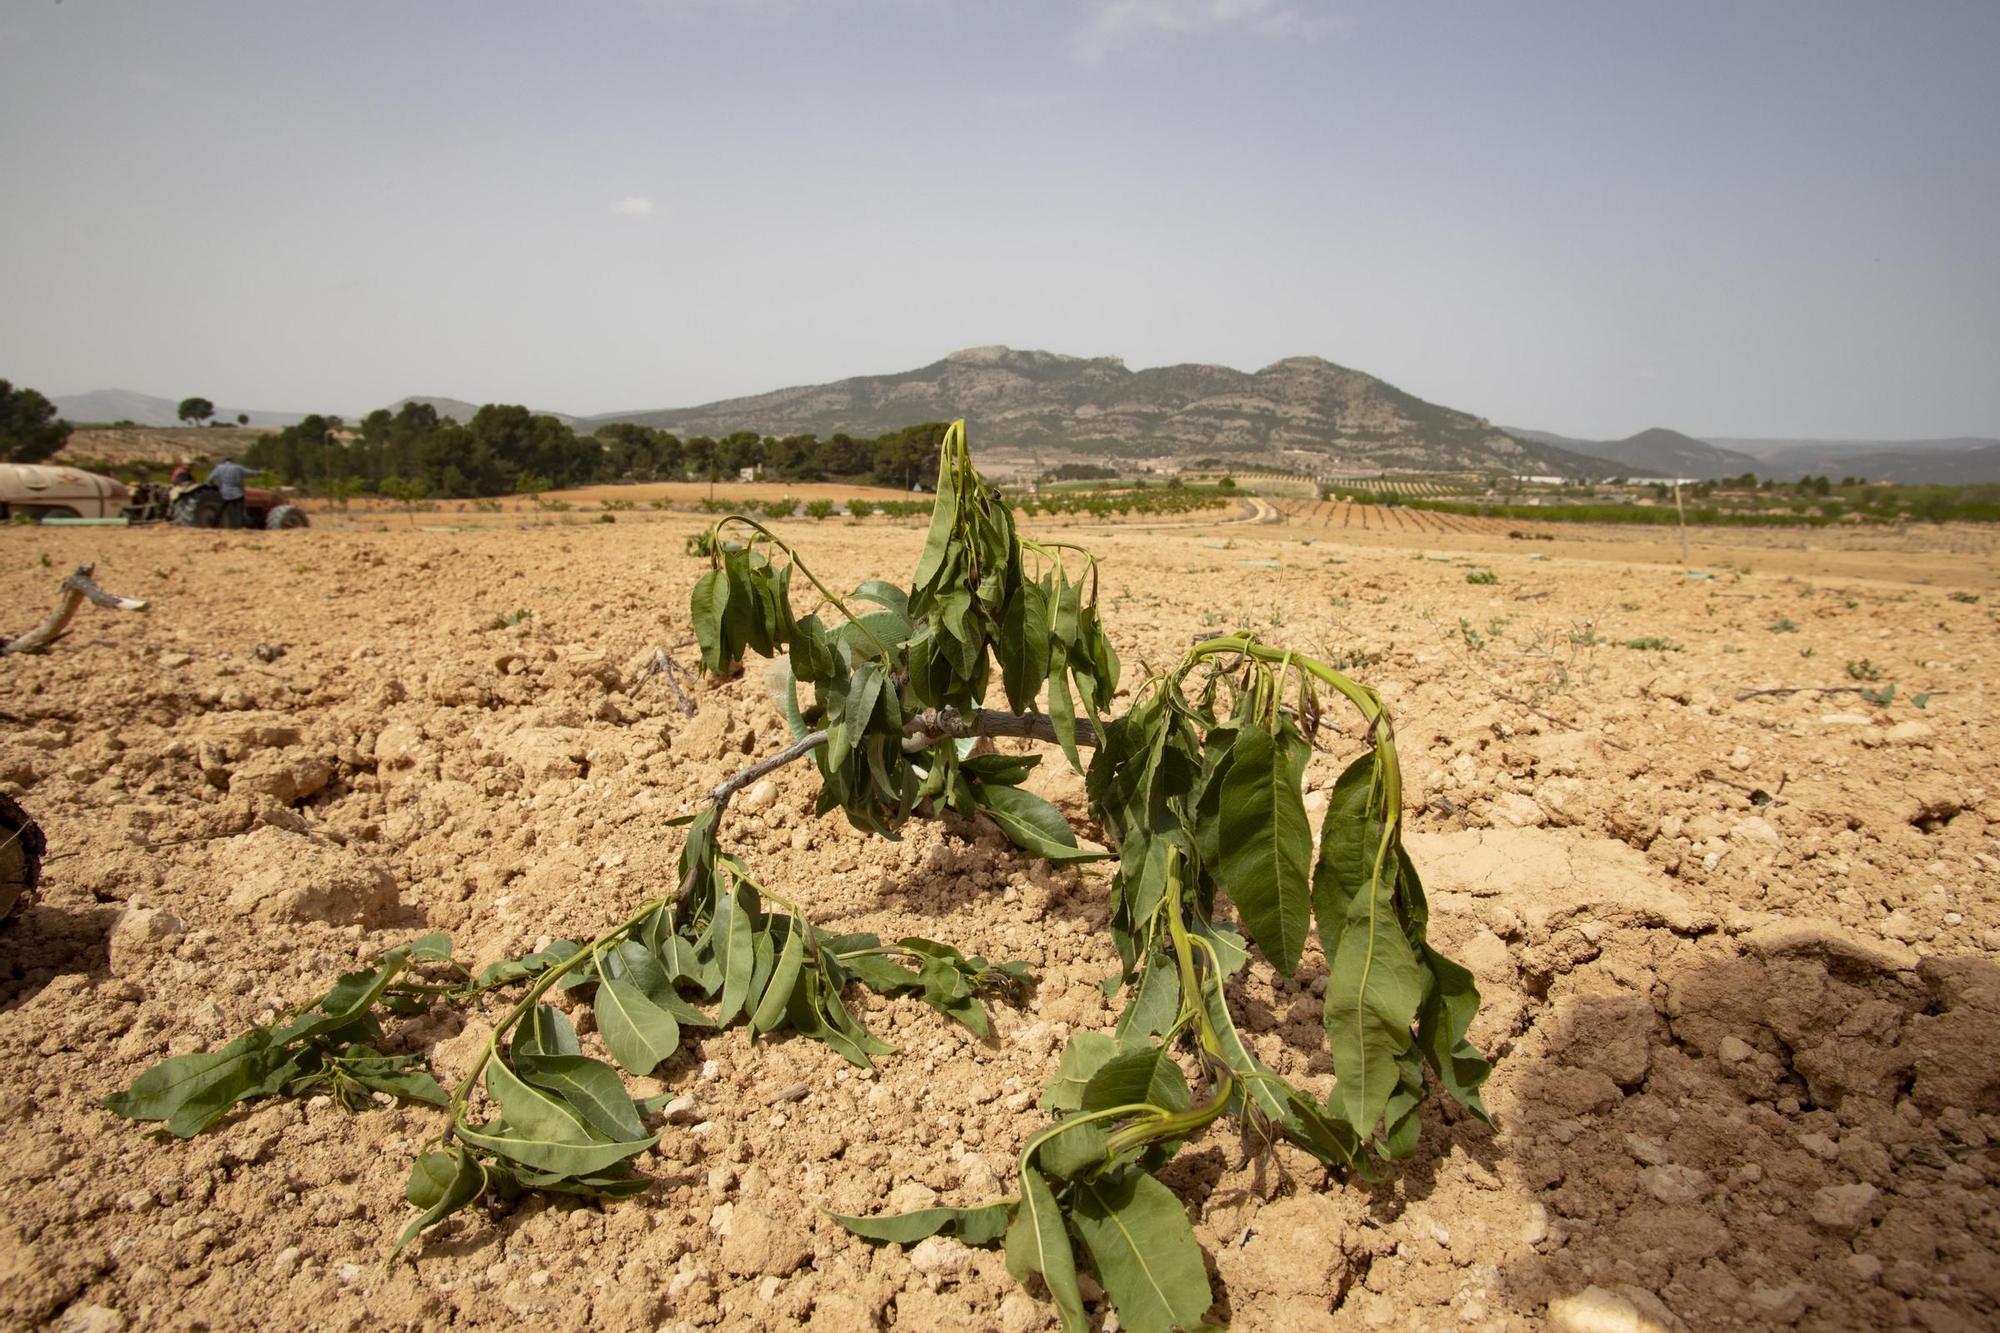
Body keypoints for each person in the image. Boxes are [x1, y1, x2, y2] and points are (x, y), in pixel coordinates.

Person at [207, 456, 251, 529]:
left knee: (220, 508)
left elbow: (209, 479)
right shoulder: (238, 467)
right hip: (237, 493)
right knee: (239, 510)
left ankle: (214, 523)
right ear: (232, 461)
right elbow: (250, 472)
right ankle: (239, 526)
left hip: (224, 492)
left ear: (224, 461)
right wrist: (260, 472)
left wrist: (211, 485)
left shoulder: (219, 468)